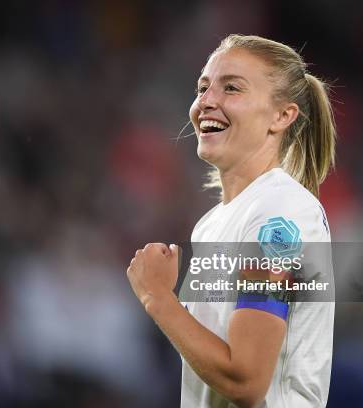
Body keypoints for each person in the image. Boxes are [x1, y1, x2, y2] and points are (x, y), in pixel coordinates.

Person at [126, 34, 336, 408]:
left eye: (232, 88)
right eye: (202, 88)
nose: (207, 101)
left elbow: (246, 380)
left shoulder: (280, 214)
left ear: (282, 115)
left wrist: (157, 297)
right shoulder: (212, 223)